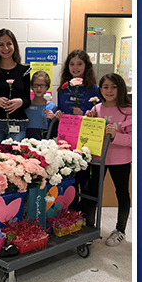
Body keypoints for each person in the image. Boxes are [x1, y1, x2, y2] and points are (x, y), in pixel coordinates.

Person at [85, 73, 132, 246]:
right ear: (100, 89)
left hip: (120, 160)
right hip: (97, 159)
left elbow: (133, 138)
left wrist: (115, 135)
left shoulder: (128, 110)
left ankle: (120, 230)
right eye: (105, 87)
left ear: (120, 89)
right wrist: (87, 122)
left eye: (114, 86)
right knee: (92, 192)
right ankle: (89, 227)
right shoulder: (96, 109)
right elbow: (89, 134)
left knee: (121, 193)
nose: (109, 90)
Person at [52, 49, 100, 209]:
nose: (75, 67)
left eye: (79, 63)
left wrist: (84, 114)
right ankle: (69, 212)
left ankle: (84, 211)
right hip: (67, 139)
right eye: (72, 64)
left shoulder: (94, 89)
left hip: (86, 140)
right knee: (68, 176)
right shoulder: (63, 89)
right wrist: (58, 114)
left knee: (85, 177)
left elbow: (98, 115)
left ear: (86, 66)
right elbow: (61, 109)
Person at [25, 71, 57, 140]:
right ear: (32, 87)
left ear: (47, 87)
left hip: (45, 143)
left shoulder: (52, 107)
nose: (39, 88)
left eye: (42, 85)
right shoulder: (26, 106)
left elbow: (55, 133)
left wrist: (53, 119)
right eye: (36, 85)